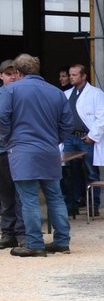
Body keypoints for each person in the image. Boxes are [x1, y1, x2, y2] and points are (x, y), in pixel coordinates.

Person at [0, 53, 76, 257]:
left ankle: (34, 243)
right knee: (55, 197)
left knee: (29, 199)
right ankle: (62, 241)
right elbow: (68, 123)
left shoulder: (11, 90)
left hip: (23, 150)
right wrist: (54, 139)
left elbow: (2, 117)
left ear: (17, 72)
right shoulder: (56, 92)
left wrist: (8, 140)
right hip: (49, 150)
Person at [63, 63, 104, 218]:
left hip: (87, 137)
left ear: (83, 76)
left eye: (74, 74)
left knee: (91, 172)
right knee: (69, 172)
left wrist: (92, 136)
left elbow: (103, 117)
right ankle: (72, 205)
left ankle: (93, 205)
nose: (71, 77)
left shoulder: (96, 94)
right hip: (70, 137)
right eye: (70, 74)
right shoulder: (66, 94)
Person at [0, 59, 23, 248]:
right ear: (1, 76)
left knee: (22, 194)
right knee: (6, 195)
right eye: (8, 74)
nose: (12, 77)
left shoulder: (24, 95)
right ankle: (8, 233)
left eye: (15, 73)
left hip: (20, 149)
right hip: (3, 151)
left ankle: (22, 233)